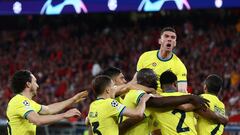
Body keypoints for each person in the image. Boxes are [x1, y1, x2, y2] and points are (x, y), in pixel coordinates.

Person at [6, 70, 88, 135]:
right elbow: (37, 120)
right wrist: (64, 115)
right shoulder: (19, 101)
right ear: (28, 84)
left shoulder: (28, 103)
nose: (37, 85)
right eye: (35, 82)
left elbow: (49, 109)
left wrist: (73, 100)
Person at [136, 27, 187, 93]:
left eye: (173, 37)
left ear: (175, 43)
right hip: (143, 95)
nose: (169, 39)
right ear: (160, 41)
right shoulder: (145, 57)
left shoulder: (179, 66)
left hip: (163, 100)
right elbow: (135, 81)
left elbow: (182, 91)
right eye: (166, 36)